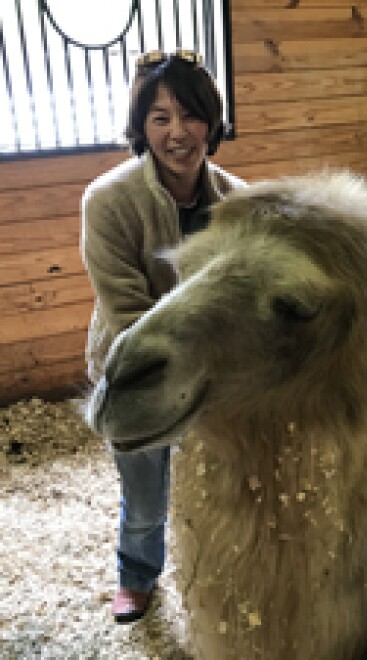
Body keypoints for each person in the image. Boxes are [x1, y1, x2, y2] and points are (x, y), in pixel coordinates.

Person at [80, 50, 244, 624]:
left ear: (212, 122)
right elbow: (126, 311)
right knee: (146, 494)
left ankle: (217, 576)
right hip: (137, 369)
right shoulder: (108, 201)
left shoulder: (237, 201)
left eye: (191, 115)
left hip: (216, 373)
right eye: (159, 118)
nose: (178, 133)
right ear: (141, 128)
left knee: (220, 487)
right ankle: (137, 576)